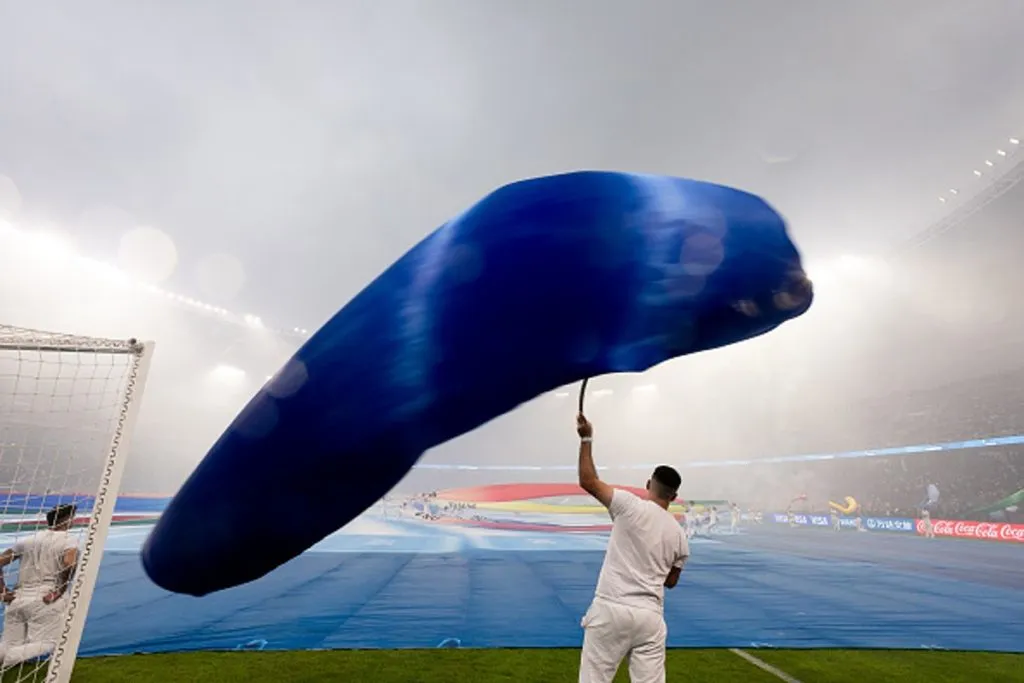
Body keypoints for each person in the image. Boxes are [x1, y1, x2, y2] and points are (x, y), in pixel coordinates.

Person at [574, 413, 689, 683]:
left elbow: (588, 481)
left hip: (611, 608)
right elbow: (671, 581)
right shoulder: (680, 535)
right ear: (673, 496)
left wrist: (586, 438)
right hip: (650, 618)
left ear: (648, 485)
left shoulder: (629, 505)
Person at [0, 503, 80, 666]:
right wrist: (60, 590)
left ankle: (6, 657)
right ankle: (10, 658)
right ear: (67, 519)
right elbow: (69, 564)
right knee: (50, 642)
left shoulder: (27, 540)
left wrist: (2, 591)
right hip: (45, 599)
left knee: (8, 644)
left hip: (17, 599)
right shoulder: (69, 541)